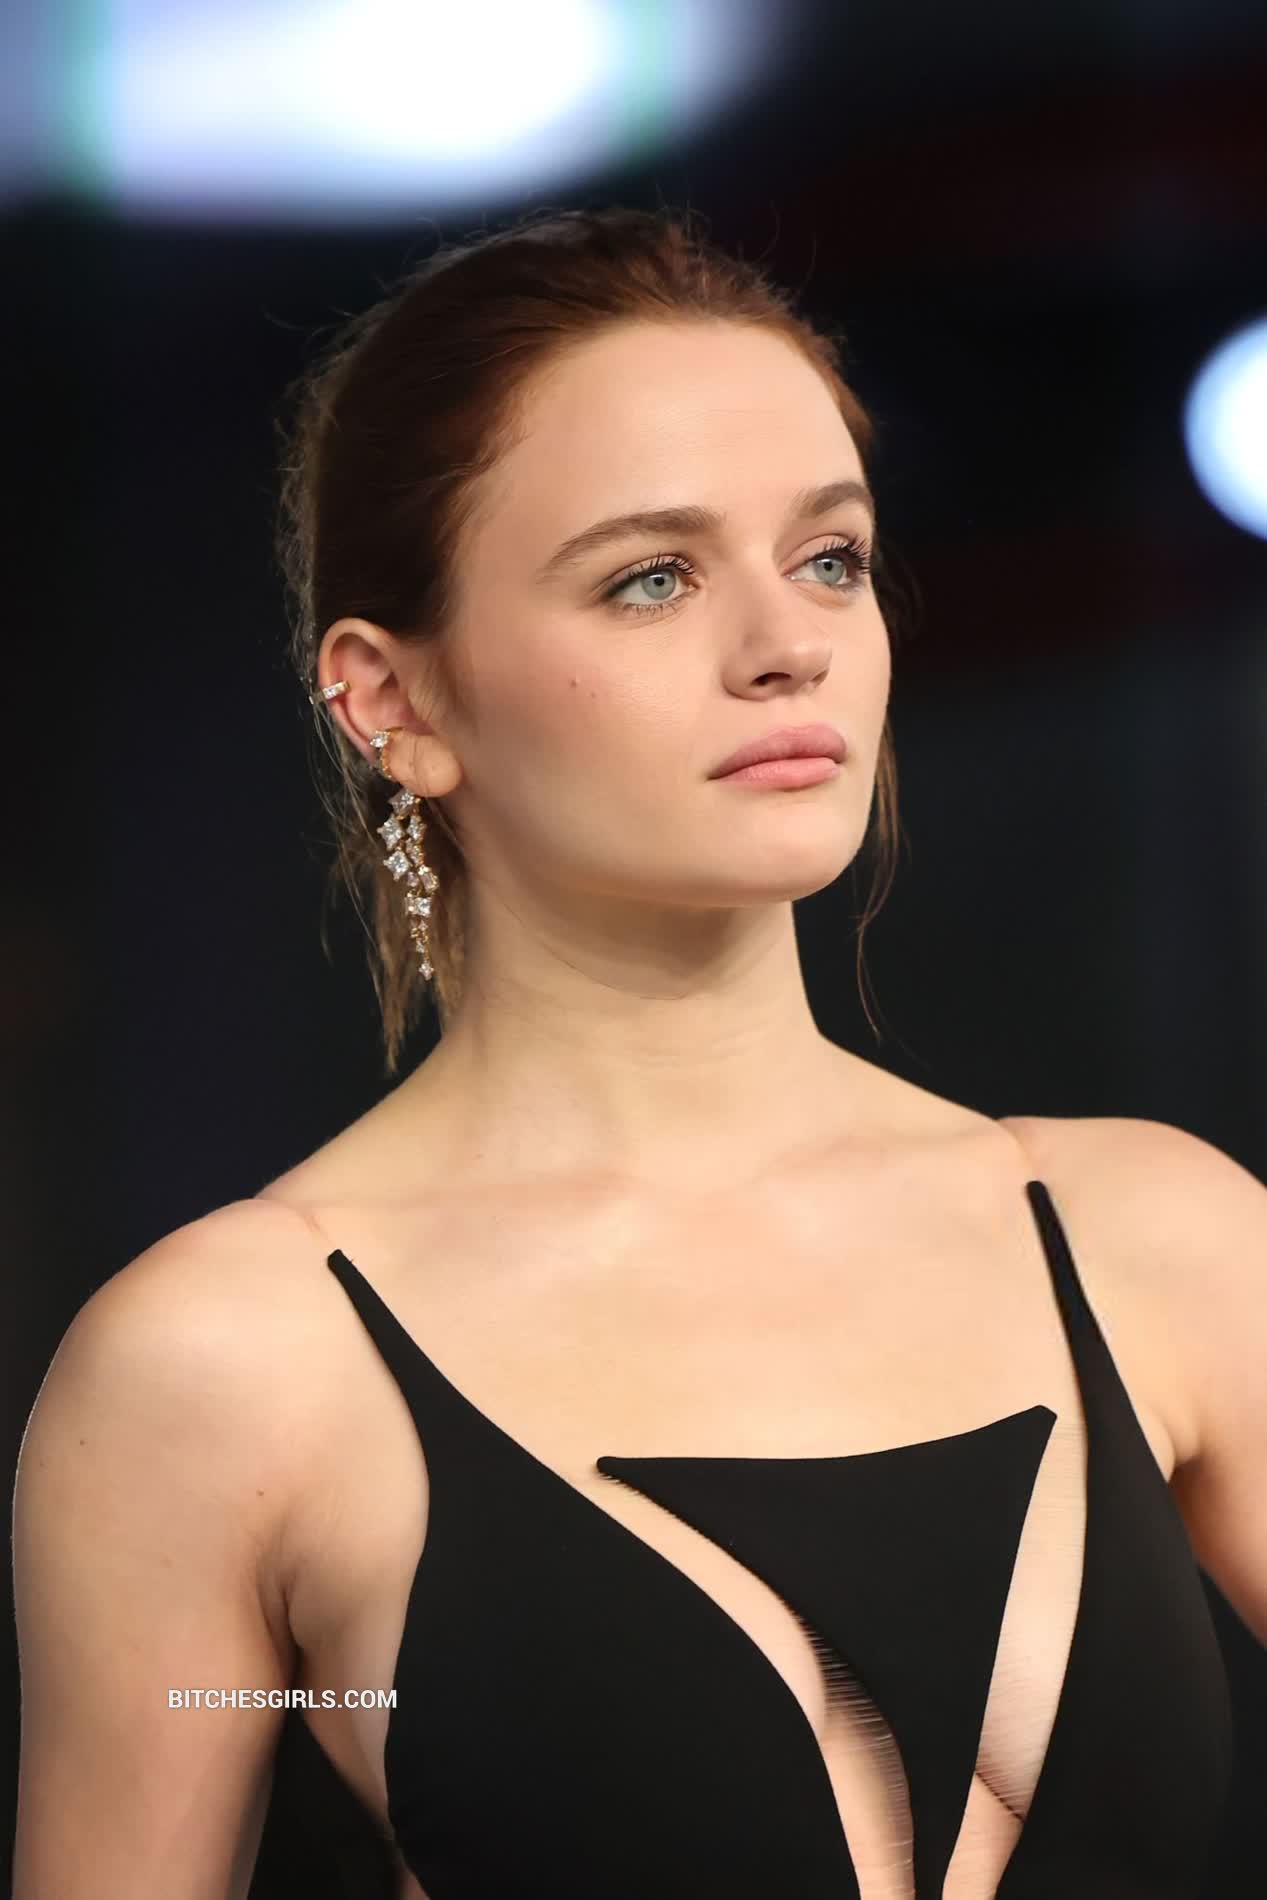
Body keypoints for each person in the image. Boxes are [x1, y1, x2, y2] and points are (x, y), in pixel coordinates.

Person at [12, 204, 1267, 1900]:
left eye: (830, 557)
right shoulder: (227, 1366)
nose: (788, 644)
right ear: (394, 703)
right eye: (652, 578)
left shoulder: (1158, 1241)